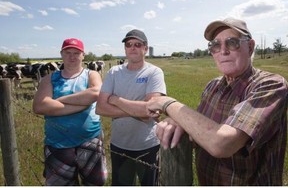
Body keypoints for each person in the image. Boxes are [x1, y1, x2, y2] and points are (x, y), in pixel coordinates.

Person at [146, 17, 288, 185]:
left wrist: (167, 104)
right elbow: (198, 132)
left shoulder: (270, 85)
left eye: (232, 42)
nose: (223, 51)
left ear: (250, 47)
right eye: (215, 45)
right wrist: (179, 123)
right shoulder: (212, 86)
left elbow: (221, 144)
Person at [32, 38, 107, 186]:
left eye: (76, 53)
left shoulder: (91, 74)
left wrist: (58, 101)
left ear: (83, 55)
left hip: (90, 140)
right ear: (61, 54)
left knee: (95, 183)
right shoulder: (49, 79)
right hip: (58, 143)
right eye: (68, 52)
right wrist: (81, 104)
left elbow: (96, 92)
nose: (72, 56)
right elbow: (39, 106)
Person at [96, 29, 166, 186]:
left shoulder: (154, 72)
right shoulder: (114, 72)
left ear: (145, 49)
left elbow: (150, 112)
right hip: (119, 145)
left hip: (148, 145)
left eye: (137, 44)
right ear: (125, 49)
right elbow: (100, 108)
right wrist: (138, 110)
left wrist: (116, 100)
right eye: (129, 45)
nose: (133, 47)